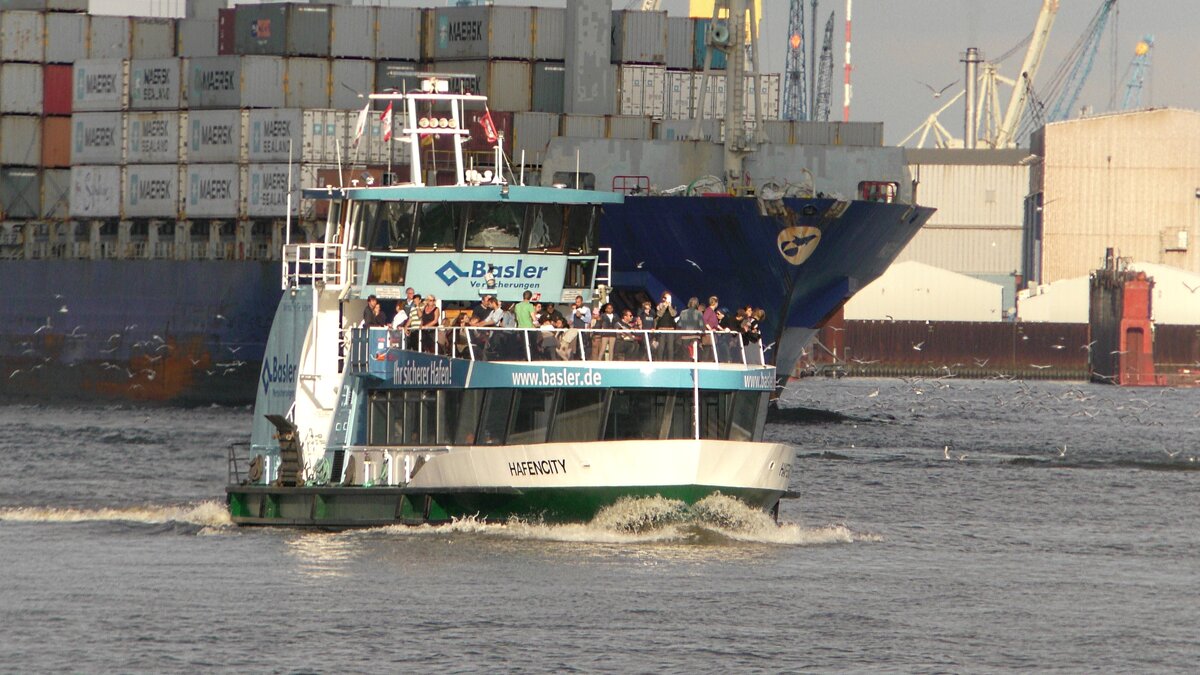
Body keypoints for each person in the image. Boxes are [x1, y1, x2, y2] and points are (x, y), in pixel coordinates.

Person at [654, 291, 678, 360]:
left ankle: (670, 362)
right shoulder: (659, 306)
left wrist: (669, 306)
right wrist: (664, 307)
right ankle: (659, 361)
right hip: (661, 328)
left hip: (670, 329)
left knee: (670, 348)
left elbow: (673, 314)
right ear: (663, 298)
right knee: (661, 347)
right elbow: (659, 314)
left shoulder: (672, 306)